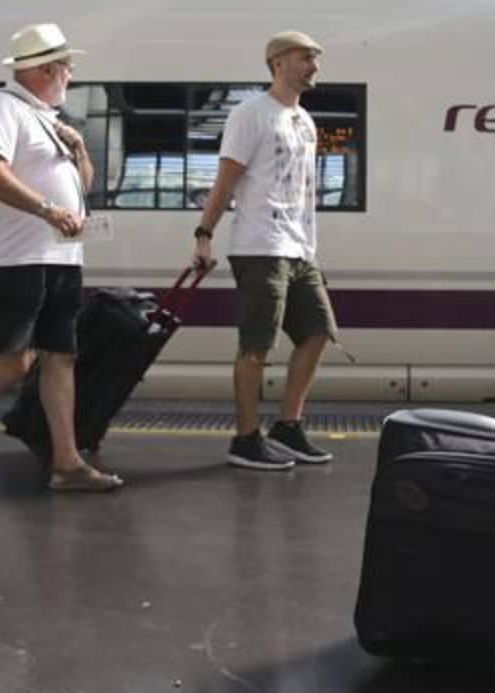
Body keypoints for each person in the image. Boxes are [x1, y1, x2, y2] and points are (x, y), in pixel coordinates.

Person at [0, 22, 122, 493]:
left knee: (60, 357)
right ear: (49, 69)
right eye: (68, 67)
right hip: (15, 259)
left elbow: (83, 188)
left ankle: (67, 463)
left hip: (60, 256)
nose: (71, 75)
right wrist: (48, 209)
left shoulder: (48, 120)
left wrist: (77, 152)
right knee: (14, 362)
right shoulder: (1, 106)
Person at [191, 31, 338, 470]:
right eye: (306, 58)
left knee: (318, 331)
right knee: (256, 345)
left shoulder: (305, 121)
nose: (314, 66)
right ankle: (245, 438)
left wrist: (309, 246)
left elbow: (304, 191)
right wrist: (204, 233)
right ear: (277, 63)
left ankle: (288, 427)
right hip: (260, 246)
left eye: (316, 58)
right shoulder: (250, 114)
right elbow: (227, 179)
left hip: (298, 248)